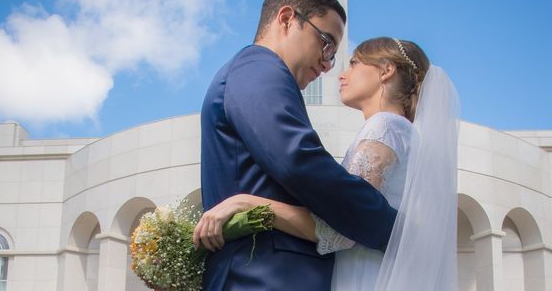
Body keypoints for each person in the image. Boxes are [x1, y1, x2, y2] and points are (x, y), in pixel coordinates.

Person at [196, 36, 460, 290]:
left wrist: (248, 202)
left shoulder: (384, 126)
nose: (342, 74)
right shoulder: (404, 133)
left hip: (364, 277)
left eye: (355, 63)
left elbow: (342, 230)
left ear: (386, 71)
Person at [197, 0, 398, 290]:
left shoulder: (260, 73)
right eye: (326, 43)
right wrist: (391, 227)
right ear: (287, 19)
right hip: (263, 276)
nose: (328, 64)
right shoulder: (258, 67)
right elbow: (298, 160)